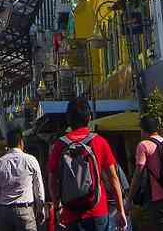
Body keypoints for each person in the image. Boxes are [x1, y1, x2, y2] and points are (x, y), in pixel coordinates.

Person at [47, 96, 127, 230]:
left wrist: (56, 206)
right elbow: (114, 178)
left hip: (70, 212)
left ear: (68, 119)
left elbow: (52, 180)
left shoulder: (60, 145)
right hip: (97, 210)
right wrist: (120, 210)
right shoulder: (99, 141)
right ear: (89, 117)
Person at [0, 126, 47, 231]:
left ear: (8, 143)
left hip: (4, 213)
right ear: (21, 142)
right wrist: (40, 208)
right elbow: (38, 187)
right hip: (25, 212)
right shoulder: (31, 160)